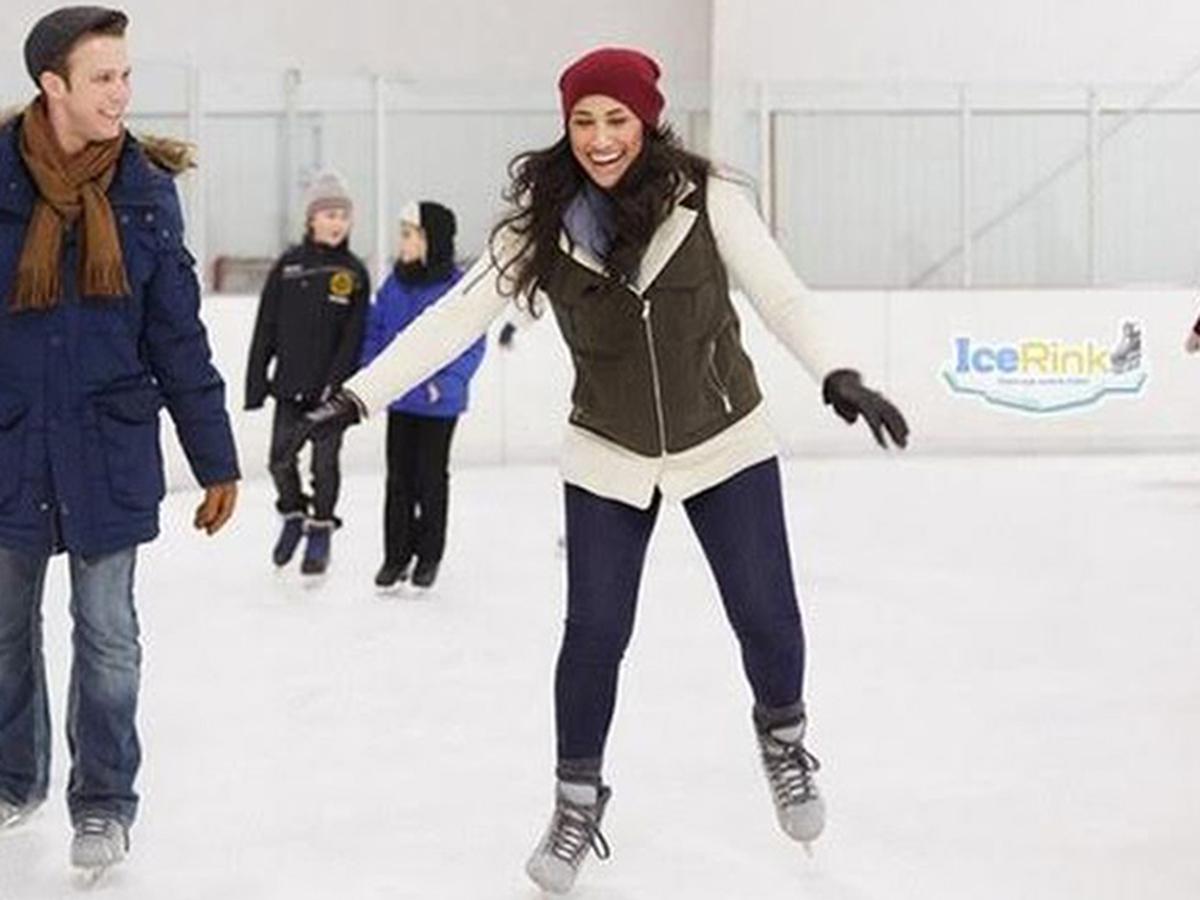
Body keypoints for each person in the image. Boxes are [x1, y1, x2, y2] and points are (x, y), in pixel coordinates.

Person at [299, 46, 908, 893]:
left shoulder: (708, 202)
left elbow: (781, 295)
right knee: (593, 634)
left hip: (723, 439)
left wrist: (840, 374)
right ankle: (576, 800)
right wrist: (357, 399)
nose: (598, 138)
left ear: (647, 120)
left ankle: (782, 739)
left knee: (766, 613)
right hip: (608, 452)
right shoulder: (540, 227)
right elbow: (455, 319)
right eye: (583, 121)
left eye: (616, 119)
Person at [0, 6, 240, 877]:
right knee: (2, 630)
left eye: (126, 75)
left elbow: (175, 334)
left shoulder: (143, 189)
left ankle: (102, 803)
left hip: (106, 444)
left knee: (107, 634)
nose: (122, 94)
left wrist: (214, 456)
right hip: (12, 442)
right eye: (103, 78)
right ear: (52, 85)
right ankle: (12, 776)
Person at [245, 170, 369, 575]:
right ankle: (294, 515)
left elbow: (353, 339)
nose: (336, 222)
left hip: (330, 395)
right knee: (280, 459)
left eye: (342, 215)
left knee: (324, 465)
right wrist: (256, 382)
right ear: (311, 219)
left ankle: (320, 529)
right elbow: (266, 325)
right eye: (328, 214)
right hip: (289, 387)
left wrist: (337, 388)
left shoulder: (353, 274)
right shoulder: (288, 266)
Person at [360, 201, 485, 589]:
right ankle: (396, 556)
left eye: (410, 234)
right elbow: (376, 332)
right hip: (399, 400)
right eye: (403, 234)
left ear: (432, 239)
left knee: (430, 478)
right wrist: (372, 379)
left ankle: (428, 556)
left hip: (436, 405)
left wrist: (441, 386)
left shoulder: (457, 287)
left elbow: (472, 343)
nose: (404, 242)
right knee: (398, 479)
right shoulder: (395, 283)